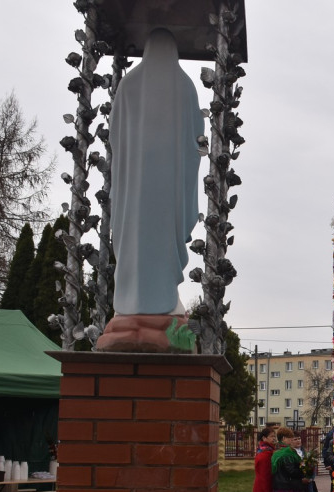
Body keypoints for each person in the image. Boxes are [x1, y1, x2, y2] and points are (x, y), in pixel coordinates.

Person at [109, 28, 203, 316]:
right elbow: (195, 139)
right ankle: (161, 299)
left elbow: (115, 136)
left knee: (134, 236)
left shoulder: (128, 84)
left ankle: (130, 302)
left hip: (134, 186)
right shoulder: (184, 85)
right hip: (170, 185)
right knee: (165, 235)